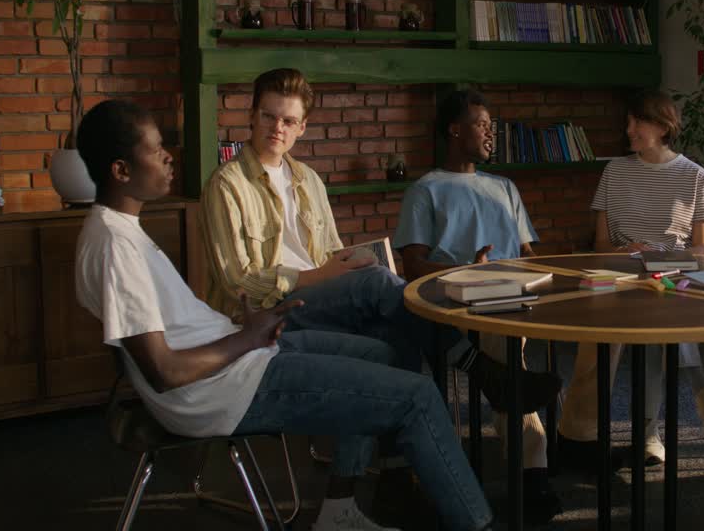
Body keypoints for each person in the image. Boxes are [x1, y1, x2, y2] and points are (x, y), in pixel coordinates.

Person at [74, 99, 494, 531]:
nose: (168, 157)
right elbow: (165, 371)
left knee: (384, 352)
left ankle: (340, 508)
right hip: (221, 388)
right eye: (155, 149)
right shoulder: (115, 246)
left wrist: (251, 334)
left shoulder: (120, 232)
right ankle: (476, 517)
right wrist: (248, 336)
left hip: (239, 356)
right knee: (417, 396)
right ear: (121, 170)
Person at [199, 68, 559, 416]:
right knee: (378, 285)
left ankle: (398, 447)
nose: (278, 128)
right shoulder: (227, 184)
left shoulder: (307, 180)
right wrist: (318, 276)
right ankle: (481, 370)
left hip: (318, 300)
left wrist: (355, 260)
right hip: (264, 315)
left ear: (302, 127)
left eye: (288, 120)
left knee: (392, 333)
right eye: (268, 116)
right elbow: (237, 282)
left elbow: (331, 253)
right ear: (252, 115)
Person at [393, 88, 563, 524]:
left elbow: (527, 254)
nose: (491, 133)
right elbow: (412, 265)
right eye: (482, 125)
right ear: (454, 130)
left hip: (511, 299)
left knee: (505, 346)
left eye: (492, 126)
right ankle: (532, 472)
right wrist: (467, 270)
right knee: (505, 356)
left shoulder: (504, 187)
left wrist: (548, 276)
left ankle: (527, 453)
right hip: (454, 303)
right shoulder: (425, 190)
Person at [558, 89, 704, 468]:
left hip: (673, 275)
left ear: (663, 126)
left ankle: (648, 433)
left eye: (638, 122)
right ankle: (700, 388)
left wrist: (658, 257)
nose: (629, 129)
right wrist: (625, 251)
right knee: (607, 326)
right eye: (628, 122)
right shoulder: (615, 171)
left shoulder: (694, 176)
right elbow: (600, 245)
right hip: (619, 274)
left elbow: (701, 251)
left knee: (657, 317)